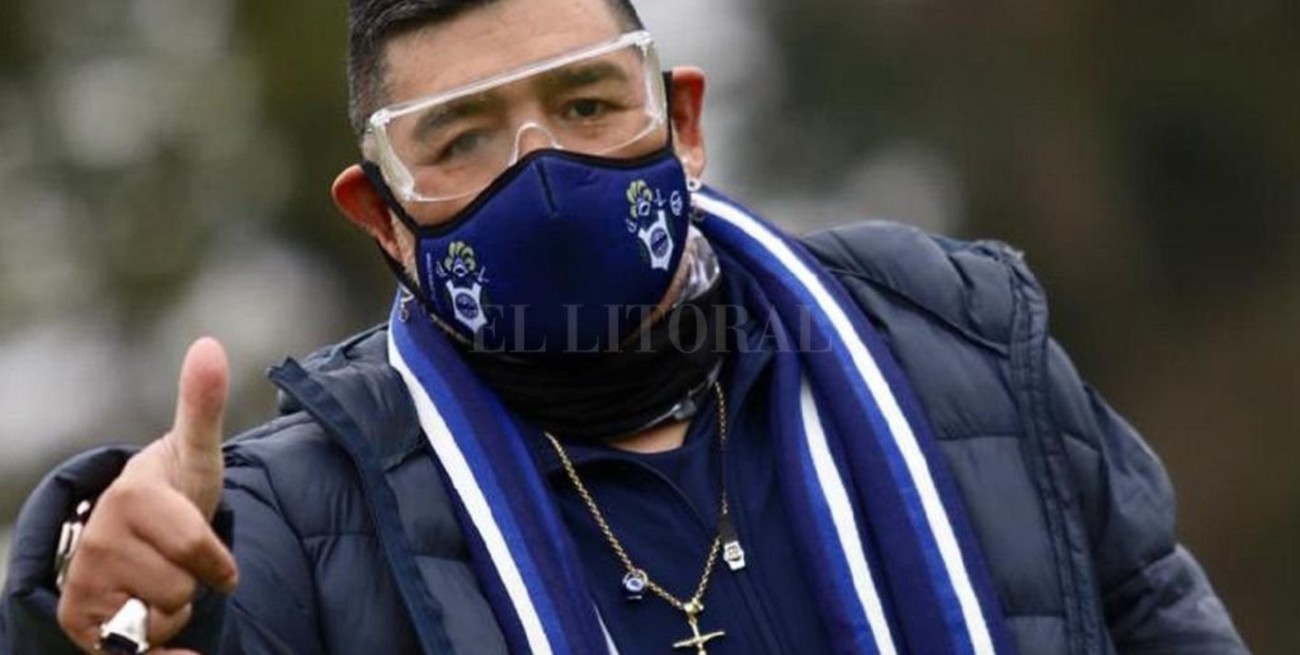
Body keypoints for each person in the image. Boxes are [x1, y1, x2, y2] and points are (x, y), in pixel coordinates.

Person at [1, 0, 1251, 653]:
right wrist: (82, 607)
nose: (543, 175)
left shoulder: (957, 337)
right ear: (380, 217)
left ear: (683, 123)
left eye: (590, 103)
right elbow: (119, 632)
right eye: (462, 141)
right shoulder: (278, 528)